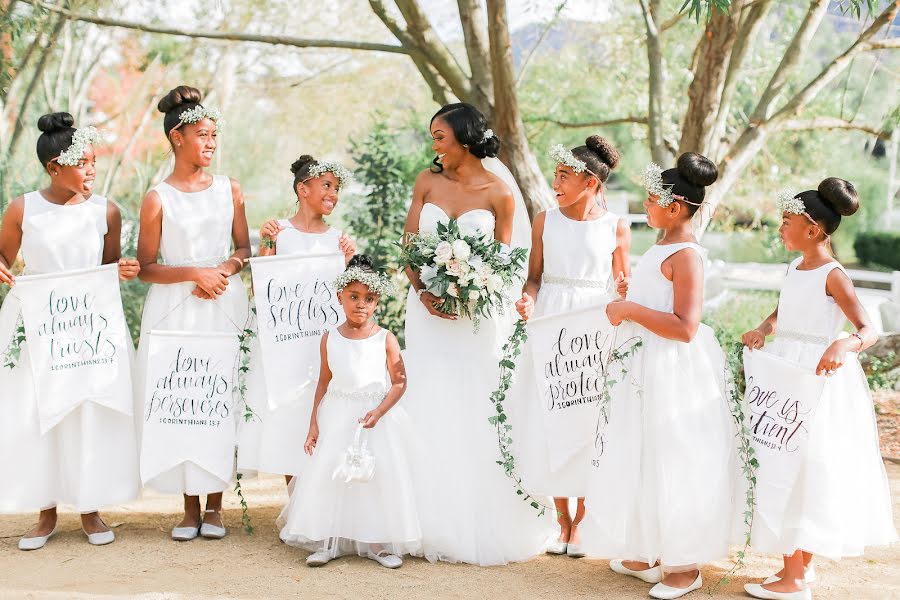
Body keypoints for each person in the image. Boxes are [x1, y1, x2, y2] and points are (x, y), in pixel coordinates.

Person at [740, 180, 897, 600]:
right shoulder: (795, 268)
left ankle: (793, 579)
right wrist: (763, 328)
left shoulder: (834, 274)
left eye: (786, 221)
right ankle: (797, 569)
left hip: (816, 378)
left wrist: (842, 344)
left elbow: (868, 329)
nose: (780, 228)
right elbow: (785, 309)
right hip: (784, 374)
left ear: (812, 229)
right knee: (781, 460)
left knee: (798, 465)